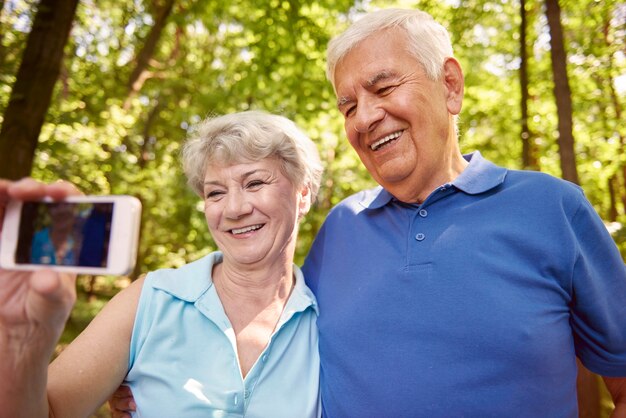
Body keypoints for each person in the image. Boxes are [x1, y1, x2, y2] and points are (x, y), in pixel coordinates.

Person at [104, 7, 626, 418]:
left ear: (450, 84)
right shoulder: (340, 229)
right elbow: (271, 337)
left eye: (383, 87)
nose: (367, 116)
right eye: (349, 105)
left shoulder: (552, 208)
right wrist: (158, 381)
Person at [0, 110, 324, 417]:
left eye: (254, 183)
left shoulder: (325, 319)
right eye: (215, 193)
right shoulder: (151, 299)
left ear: (304, 194)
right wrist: (21, 345)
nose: (234, 209)